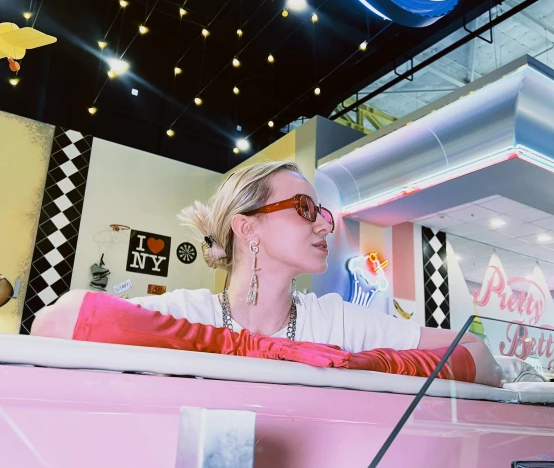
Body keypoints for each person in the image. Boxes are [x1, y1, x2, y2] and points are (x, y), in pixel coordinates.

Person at [31, 161, 503, 386]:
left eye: (321, 210)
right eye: (303, 207)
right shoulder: (188, 311)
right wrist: (266, 351)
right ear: (247, 226)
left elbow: (481, 359)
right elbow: (54, 322)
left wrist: (361, 363)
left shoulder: (339, 321)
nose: (324, 223)